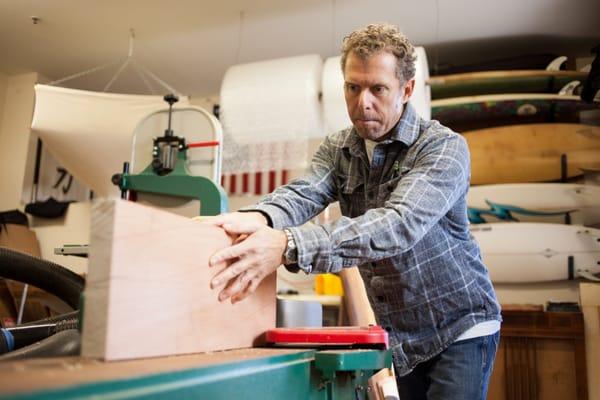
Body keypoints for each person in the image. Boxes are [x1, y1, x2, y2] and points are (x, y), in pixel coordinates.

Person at [205, 23, 501, 400]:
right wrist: (259, 218)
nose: (363, 102)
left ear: (406, 90)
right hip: (402, 336)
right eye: (352, 87)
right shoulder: (339, 148)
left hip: (459, 325)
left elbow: (398, 225)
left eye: (378, 89)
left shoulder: (442, 148)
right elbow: (303, 193)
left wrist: (287, 244)